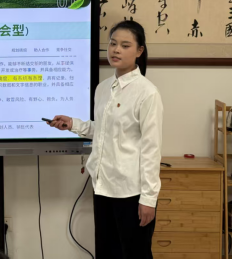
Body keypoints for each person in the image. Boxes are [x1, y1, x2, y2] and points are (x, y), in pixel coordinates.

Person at [49, 20, 163, 260]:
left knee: (135, 255)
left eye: (125, 45)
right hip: (102, 187)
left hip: (131, 192)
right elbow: (102, 130)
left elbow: (151, 149)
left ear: (139, 51)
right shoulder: (103, 88)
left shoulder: (147, 92)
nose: (116, 50)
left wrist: (149, 199)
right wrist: (73, 124)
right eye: (112, 44)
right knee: (106, 253)